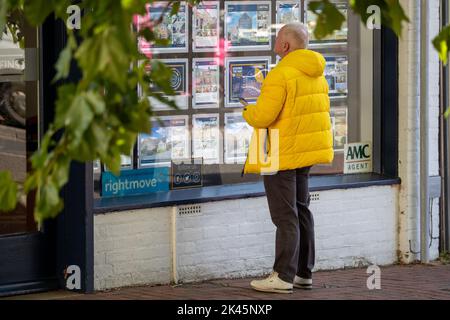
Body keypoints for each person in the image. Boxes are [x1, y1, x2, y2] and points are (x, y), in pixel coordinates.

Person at [242, 23, 334, 294]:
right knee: (301, 209)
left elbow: (263, 116)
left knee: (285, 216)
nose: (275, 40)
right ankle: (303, 273)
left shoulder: (281, 74)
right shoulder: (316, 73)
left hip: (280, 153)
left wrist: (248, 110)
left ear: (286, 45)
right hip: (305, 153)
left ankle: (282, 276)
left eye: (277, 37)